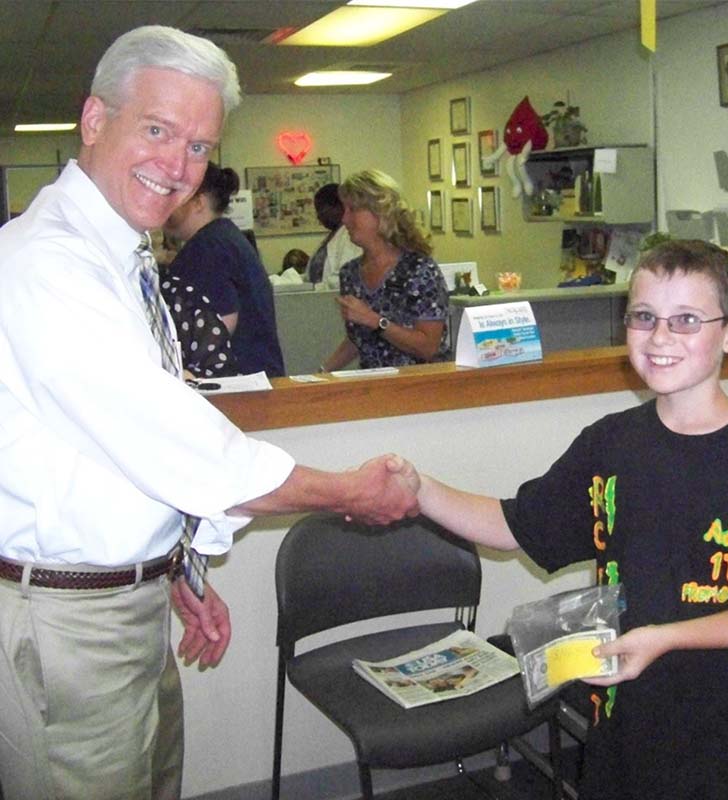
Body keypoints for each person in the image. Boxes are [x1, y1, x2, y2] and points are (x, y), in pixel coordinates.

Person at [0, 25, 418, 800]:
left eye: (198, 146)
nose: (177, 165)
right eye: (156, 130)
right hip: (68, 629)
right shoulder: (48, 264)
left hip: (126, 601)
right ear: (95, 121)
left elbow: (113, 454)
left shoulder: (118, 254)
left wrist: (176, 564)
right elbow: (175, 441)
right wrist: (347, 492)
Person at [410, 240, 728, 800]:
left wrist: (663, 640)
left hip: (726, 736)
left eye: (686, 320)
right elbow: (516, 525)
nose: (661, 337)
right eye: (644, 318)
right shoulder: (611, 443)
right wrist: (419, 489)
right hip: (623, 727)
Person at [164, 162, 286, 377]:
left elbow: (221, 323)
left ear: (198, 202)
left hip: (234, 383)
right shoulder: (226, 237)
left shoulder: (206, 248)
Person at [321, 170, 450, 371]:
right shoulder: (350, 273)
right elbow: (359, 340)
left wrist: (374, 320)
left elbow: (428, 347)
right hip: (373, 388)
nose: (344, 219)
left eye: (352, 210)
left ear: (380, 213)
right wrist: (322, 372)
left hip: (419, 388)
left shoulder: (419, 270)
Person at [307, 182, 361, 286]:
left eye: (321, 209)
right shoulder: (332, 236)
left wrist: (318, 288)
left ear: (338, 206)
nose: (318, 216)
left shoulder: (349, 236)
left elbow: (344, 275)